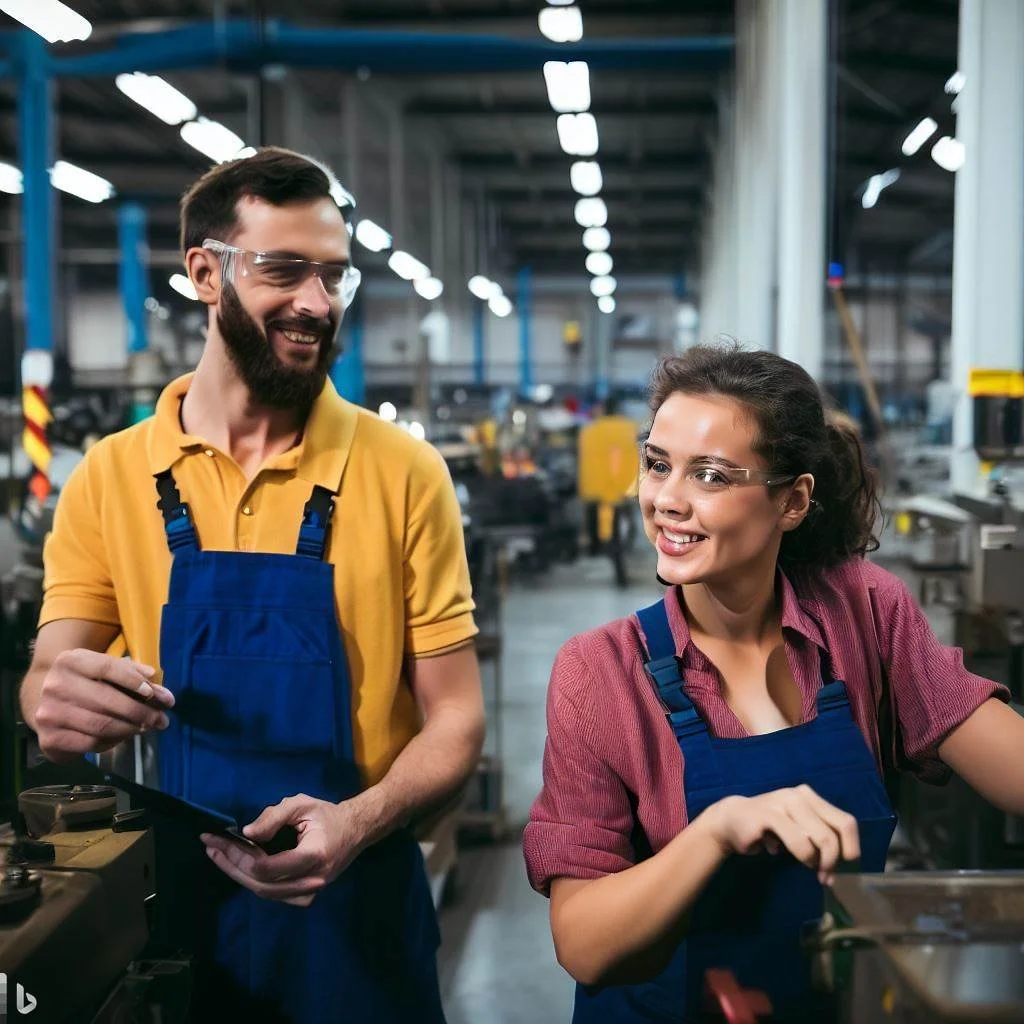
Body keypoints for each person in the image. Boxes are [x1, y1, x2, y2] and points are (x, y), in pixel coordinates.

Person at [19, 147, 484, 1023]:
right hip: (163, 902)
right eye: (283, 270)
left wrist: (360, 822)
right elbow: (50, 676)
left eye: (334, 277)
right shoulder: (110, 478)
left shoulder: (403, 473)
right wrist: (56, 698)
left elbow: (457, 717)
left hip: (354, 901)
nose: (317, 302)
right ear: (205, 272)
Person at [524, 343, 1024, 1022]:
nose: (668, 500)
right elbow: (583, 945)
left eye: (710, 476)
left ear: (792, 501)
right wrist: (715, 831)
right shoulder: (603, 671)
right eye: (658, 465)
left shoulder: (863, 613)